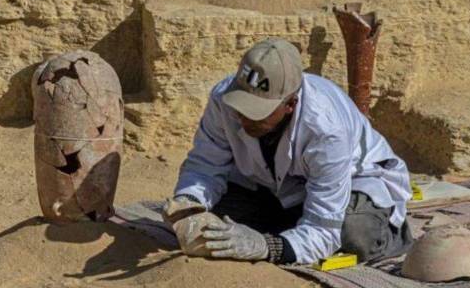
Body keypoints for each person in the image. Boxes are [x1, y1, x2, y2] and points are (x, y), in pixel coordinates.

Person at [164, 37, 412, 264]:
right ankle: (290, 226)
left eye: (257, 112)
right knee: (213, 222)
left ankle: (391, 234)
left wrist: (266, 246)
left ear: (290, 104)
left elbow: (324, 227)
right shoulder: (223, 99)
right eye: (242, 105)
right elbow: (205, 166)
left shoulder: (326, 129)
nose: (243, 117)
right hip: (276, 186)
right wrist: (189, 203)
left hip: (352, 182)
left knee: (354, 235)